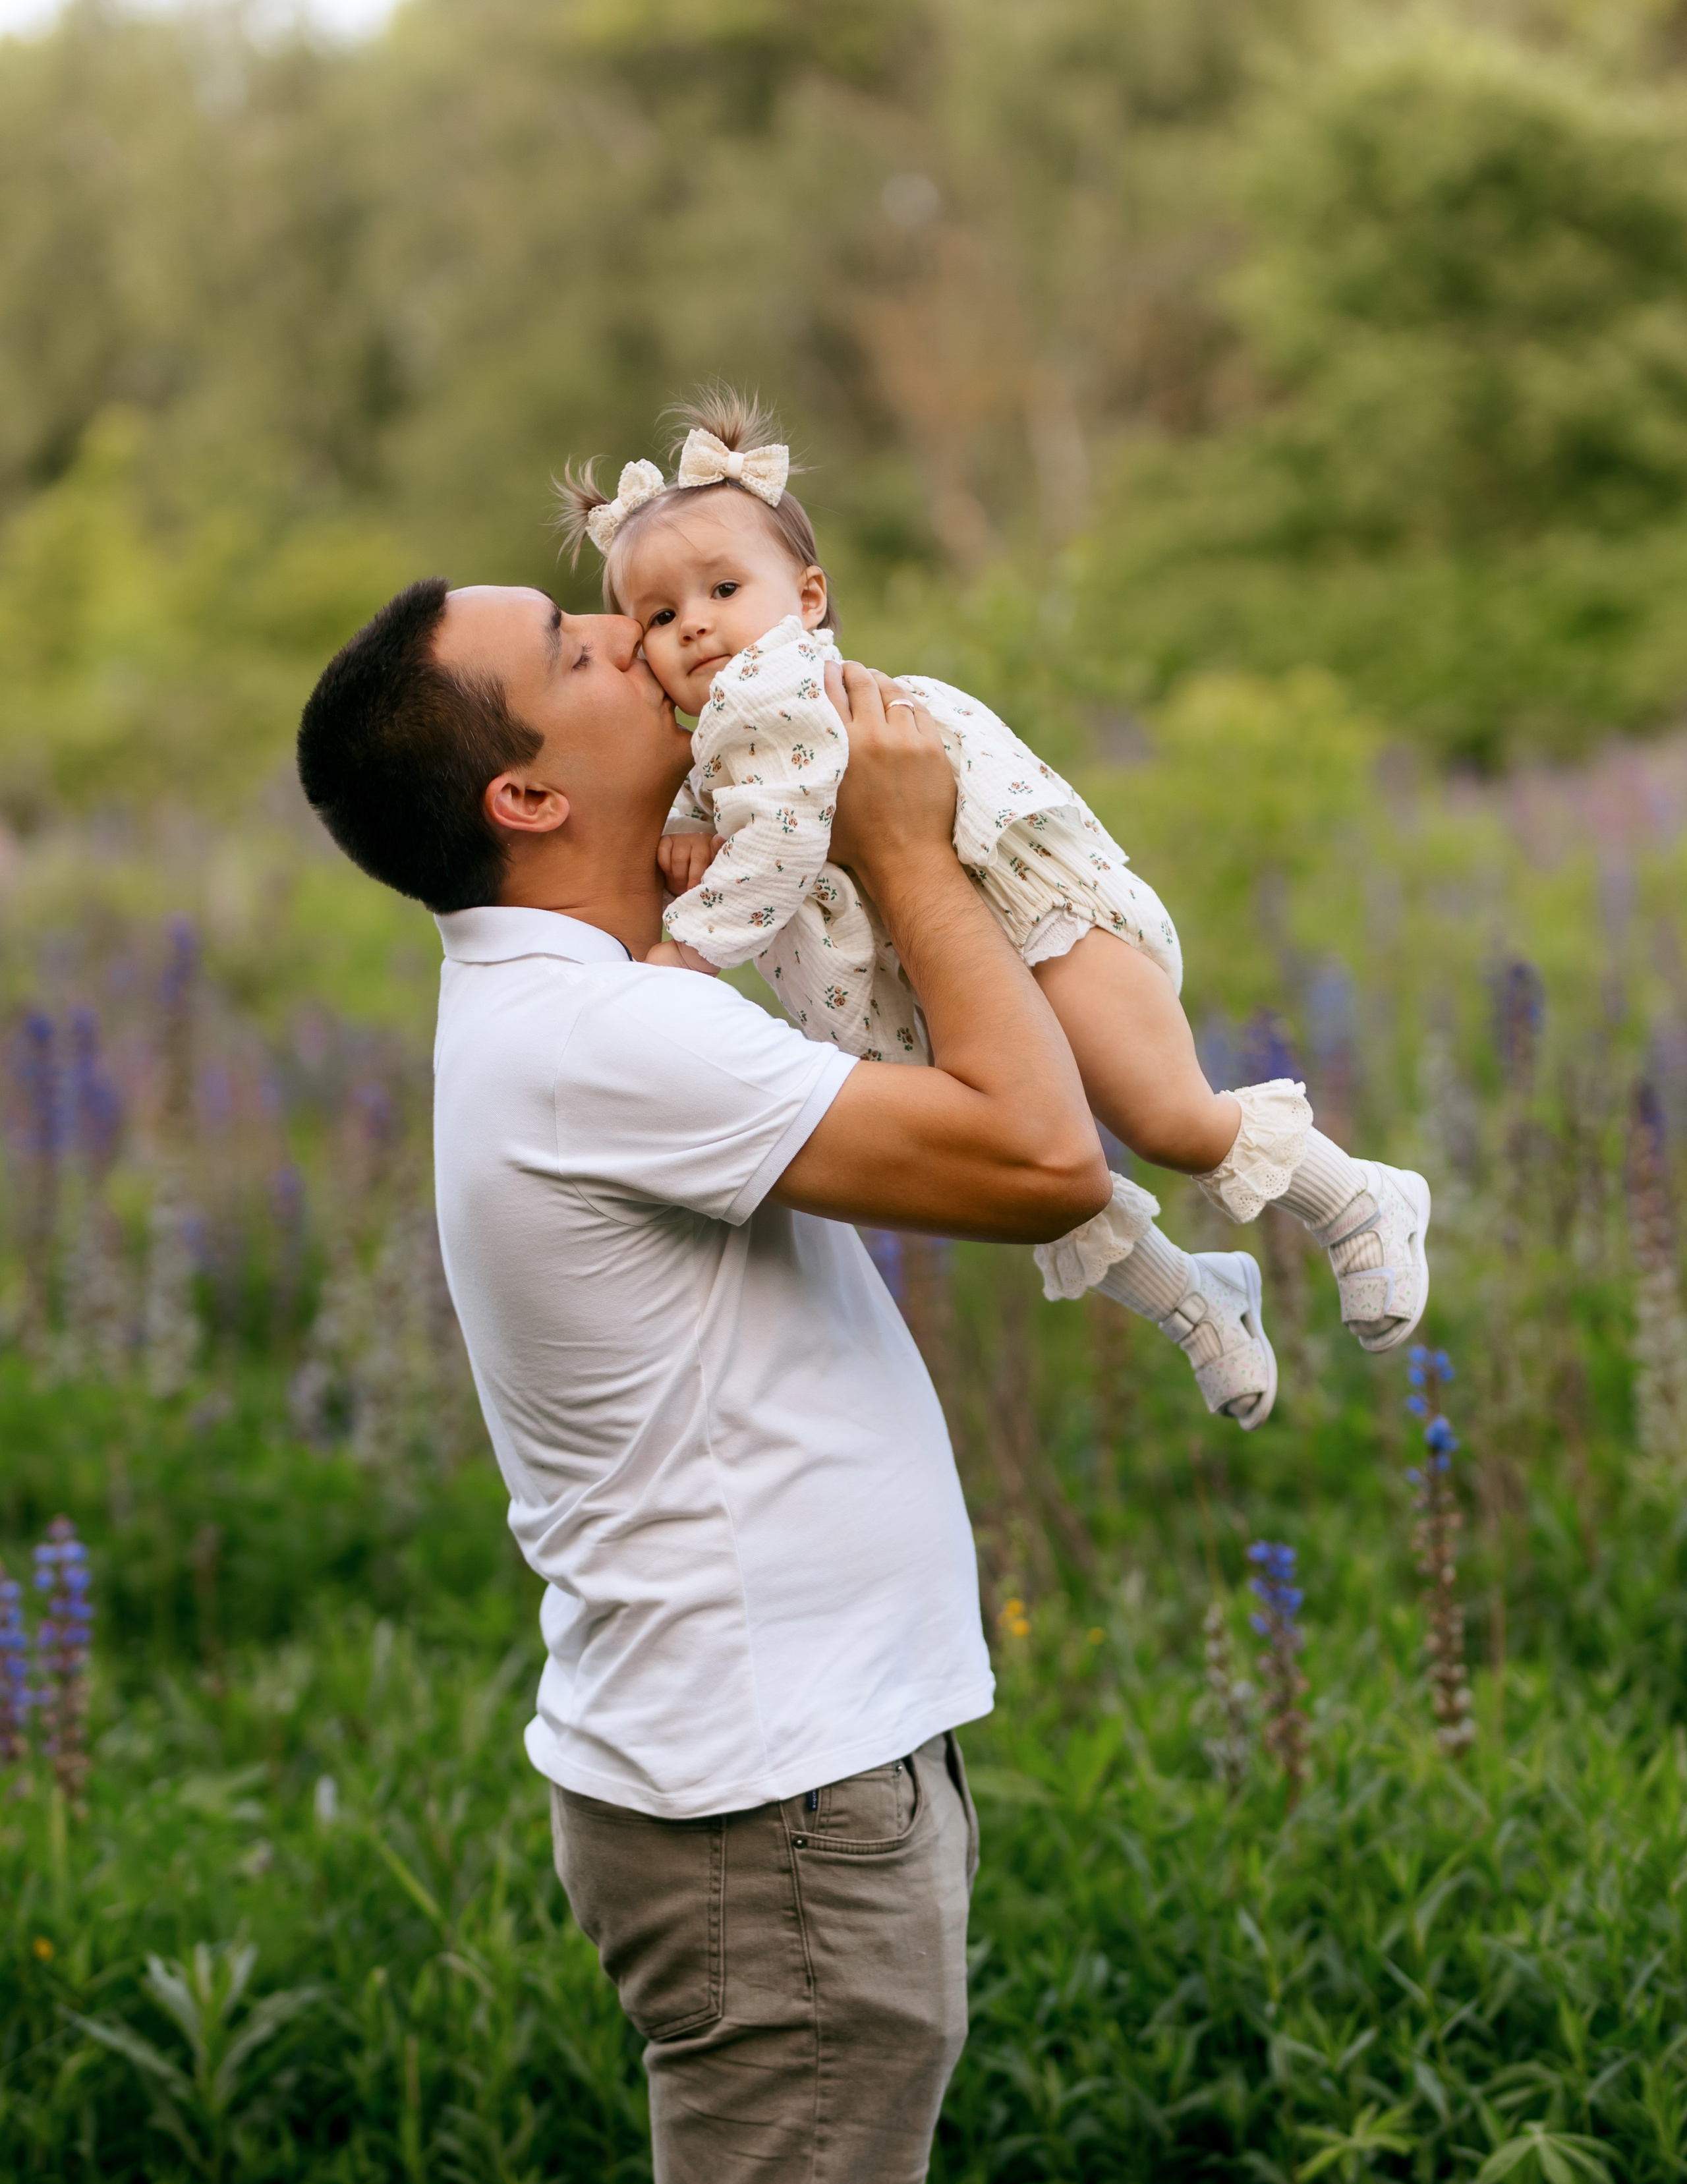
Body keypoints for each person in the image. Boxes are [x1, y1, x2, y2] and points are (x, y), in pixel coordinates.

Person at [295, 574, 1113, 2184]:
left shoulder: (589, 1006)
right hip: (775, 1802)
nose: (621, 629)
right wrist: (909, 848)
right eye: (570, 651)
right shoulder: (598, 1043)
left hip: (776, 1776)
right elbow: (1043, 1159)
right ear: (522, 798)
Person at [556, 386, 1435, 1433]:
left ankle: (1359, 1196)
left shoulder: (783, 690)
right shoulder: (712, 745)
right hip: (919, 984)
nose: (693, 623)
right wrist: (692, 845)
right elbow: (742, 832)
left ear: (807, 599)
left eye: (723, 587)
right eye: (658, 616)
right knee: (1031, 1180)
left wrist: (690, 949)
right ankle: (1200, 1300)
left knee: (1162, 1113)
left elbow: (788, 838)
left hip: (1023, 911)